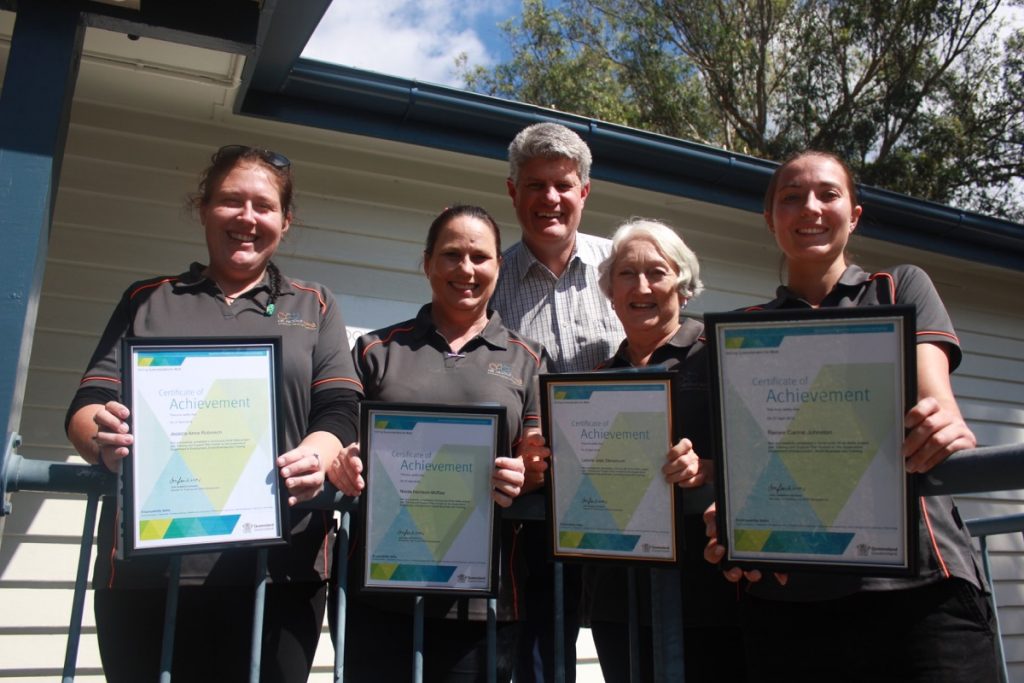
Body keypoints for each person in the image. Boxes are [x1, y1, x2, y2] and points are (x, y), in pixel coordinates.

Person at [64, 144, 362, 683]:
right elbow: (87, 405)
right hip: (147, 573)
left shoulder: (314, 304)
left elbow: (340, 407)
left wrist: (318, 456)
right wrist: (100, 439)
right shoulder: (148, 299)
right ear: (203, 208)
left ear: (285, 221)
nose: (247, 218)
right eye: (230, 201)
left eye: (264, 206)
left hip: (282, 570)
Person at [703, 150, 998, 682]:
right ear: (770, 220)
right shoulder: (741, 332)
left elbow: (936, 399)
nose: (809, 207)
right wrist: (731, 512)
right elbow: (739, 458)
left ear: (854, 214)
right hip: (789, 600)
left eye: (827, 194)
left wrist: (941, 423)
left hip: (924, 590)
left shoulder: (899, 288)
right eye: (790, 198)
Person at [328, 205, 550, 682]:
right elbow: (342, 437)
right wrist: (344, 460)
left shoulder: (527, 358)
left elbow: (537, 456)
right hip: (379, 593)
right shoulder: (375, 350)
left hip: (480, 601)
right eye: (451, 255)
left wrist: (526, 474)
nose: (465, 270)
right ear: (426, 262)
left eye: (479, 256)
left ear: (499, 266)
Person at [491, 121, 624, 683]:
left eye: (563, 185)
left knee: (634, 646)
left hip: (626, 498)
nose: (550, 198)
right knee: (541, 660)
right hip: (534, 516)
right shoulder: (488, 282)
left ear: (584, 192)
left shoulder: (625, 268)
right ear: (513, 191)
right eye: (535, 184)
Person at [584, 218, 744, 682]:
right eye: (626, 274)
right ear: (610, 292)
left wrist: (708, 468)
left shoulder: (722, 353)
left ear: (684, 285)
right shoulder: (592, 382)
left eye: (656, 271)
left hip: (711, 594)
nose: (641, 286)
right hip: (620, 600)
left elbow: (772, 454)